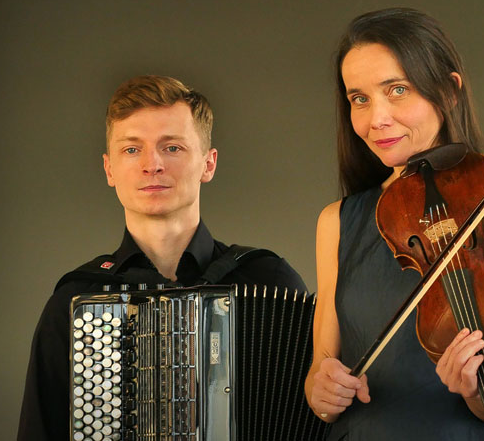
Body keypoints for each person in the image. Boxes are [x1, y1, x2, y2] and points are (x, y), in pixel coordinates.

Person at [18, 75, 307, 441]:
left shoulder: (268, 280)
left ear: (209, 164)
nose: (152, 164)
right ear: (109, 169)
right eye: (132, 149)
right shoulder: (75, 300)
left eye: (172, 148)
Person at [304, 8, 484, 440]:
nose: (376, 119)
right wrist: (321, 393)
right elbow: (322, 367)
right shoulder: (336, 222)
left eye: (397, 90)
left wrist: (475, 388)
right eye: (359, 99)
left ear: (449, 92)